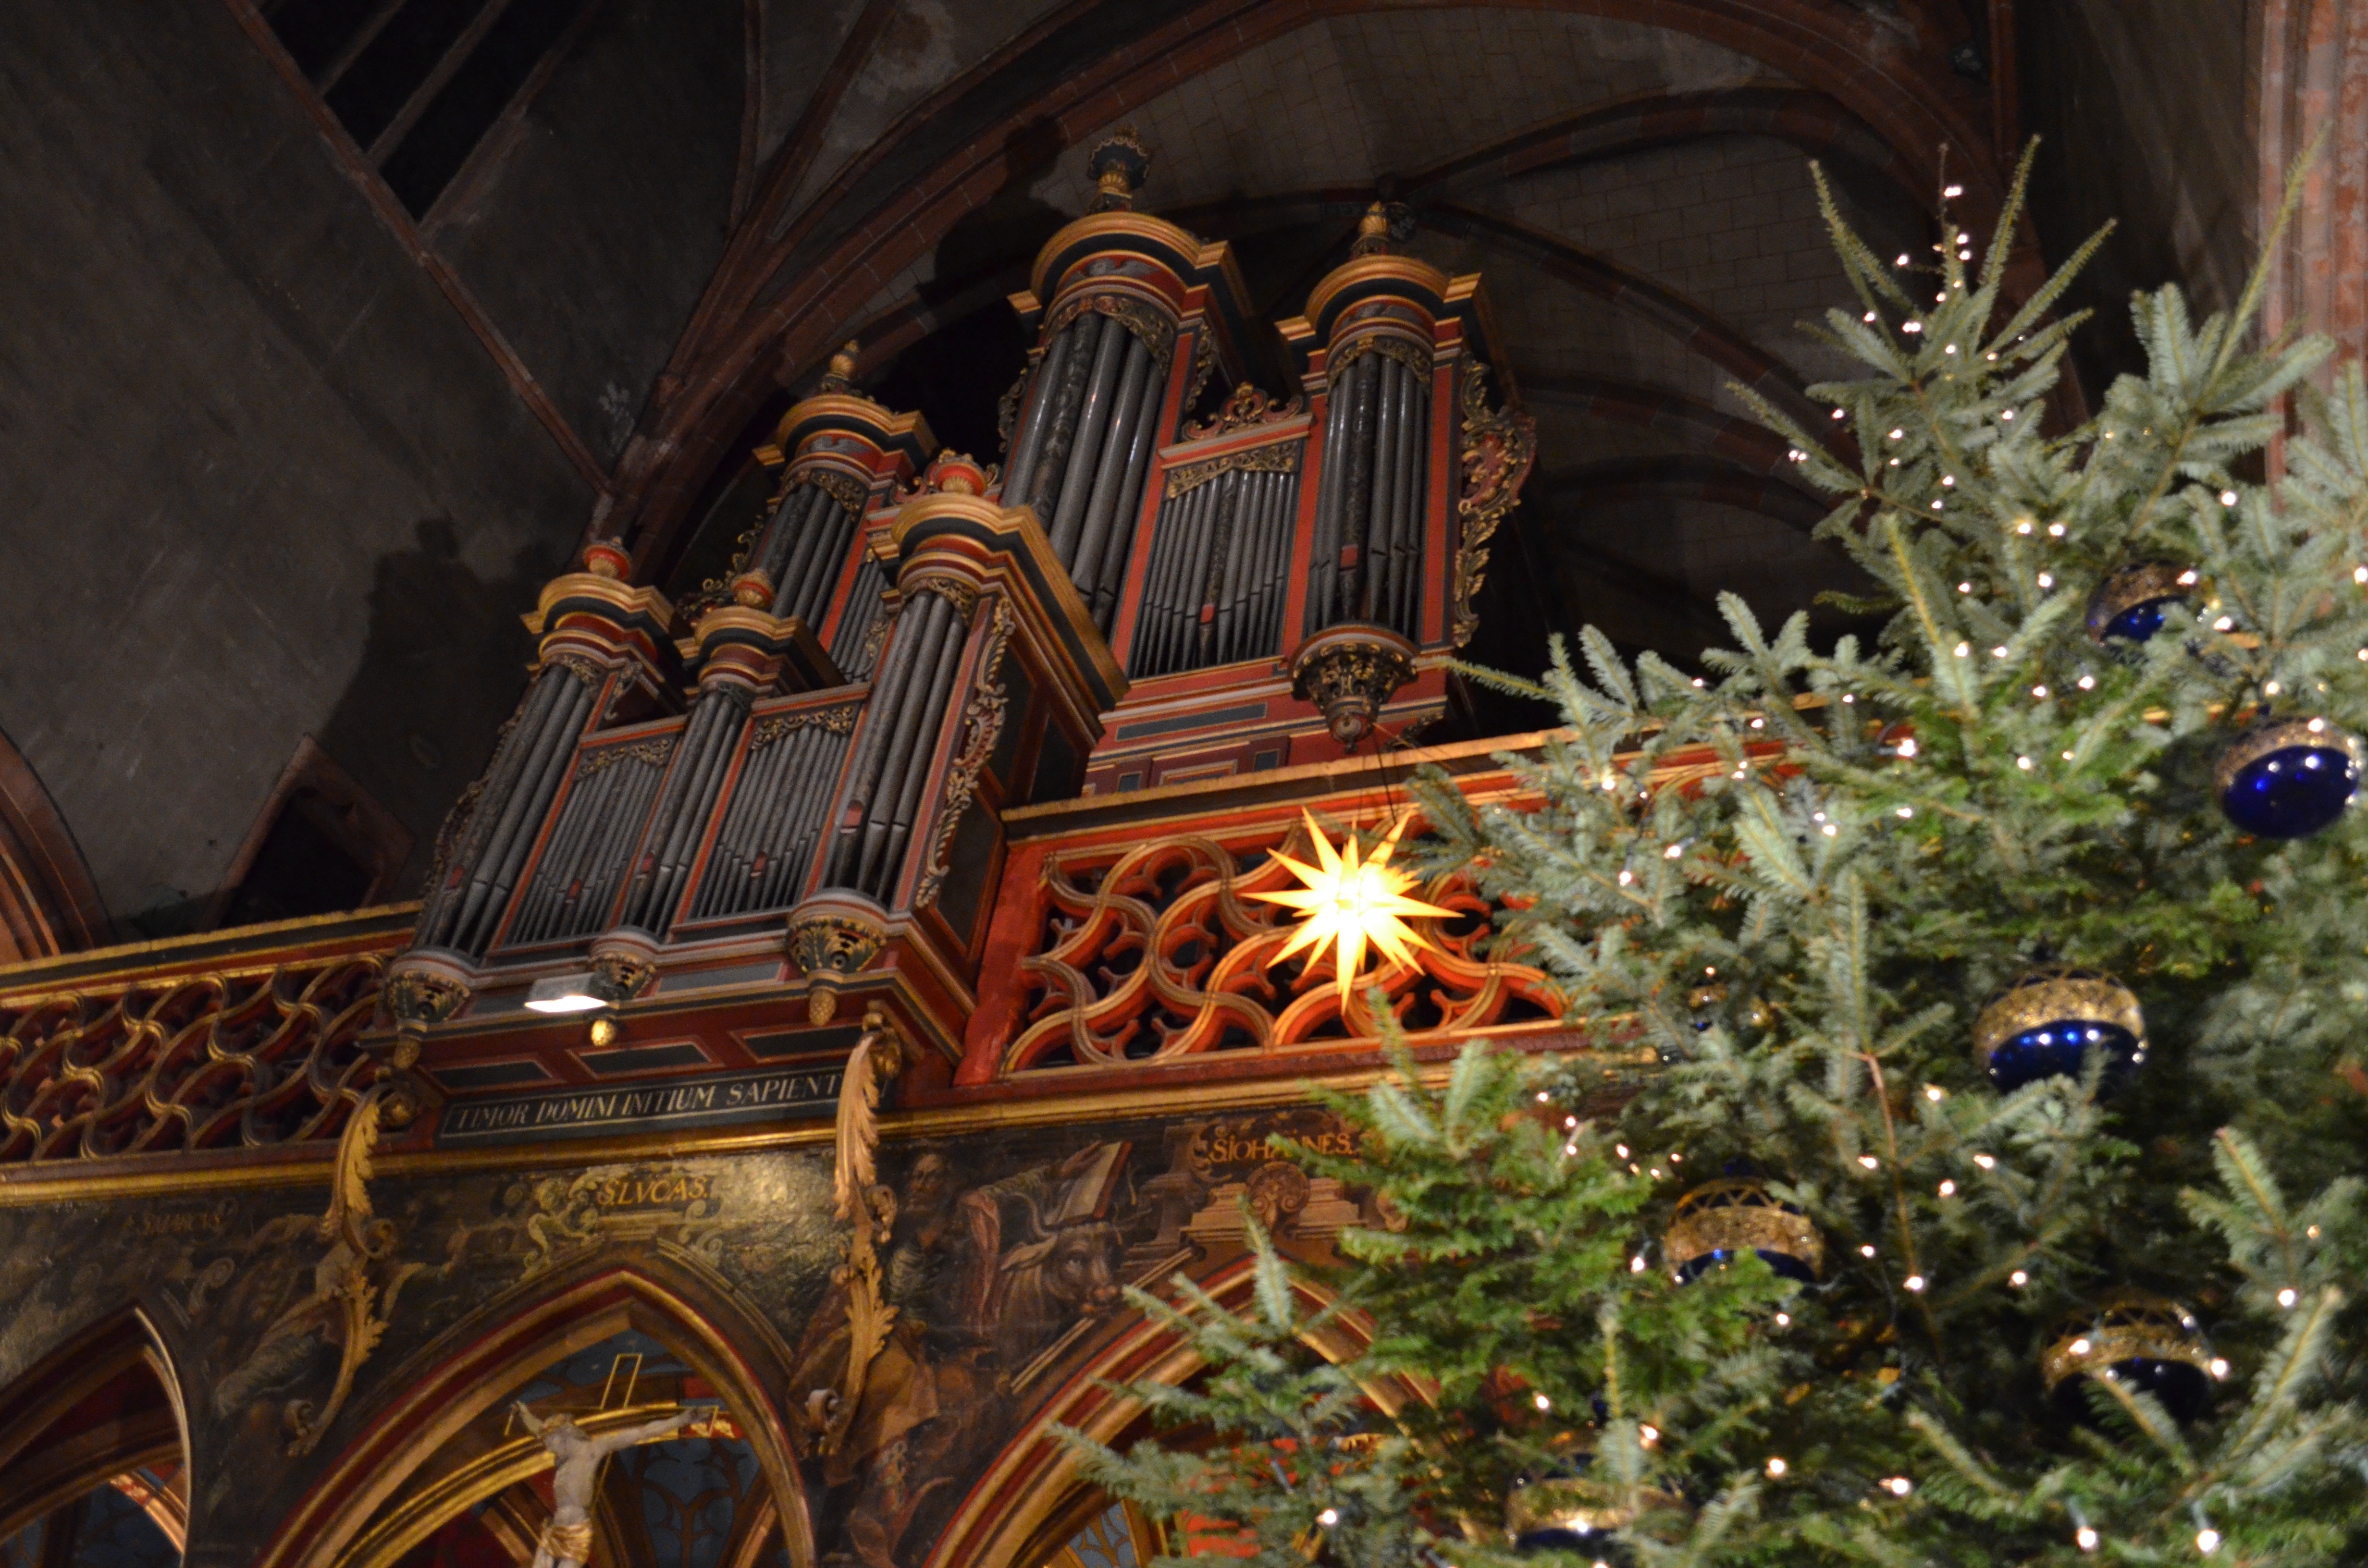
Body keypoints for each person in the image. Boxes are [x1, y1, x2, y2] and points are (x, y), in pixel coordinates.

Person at [515, 1400, 711, 1567]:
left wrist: (684, 1419)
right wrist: (524, 1413)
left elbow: (641, 1433)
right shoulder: (564, 1458)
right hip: (556, 1526)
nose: (551, 1451)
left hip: (577, 1528)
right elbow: (540, 1429)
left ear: (564, 1436)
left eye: (552, 1444)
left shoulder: (591, 1450)